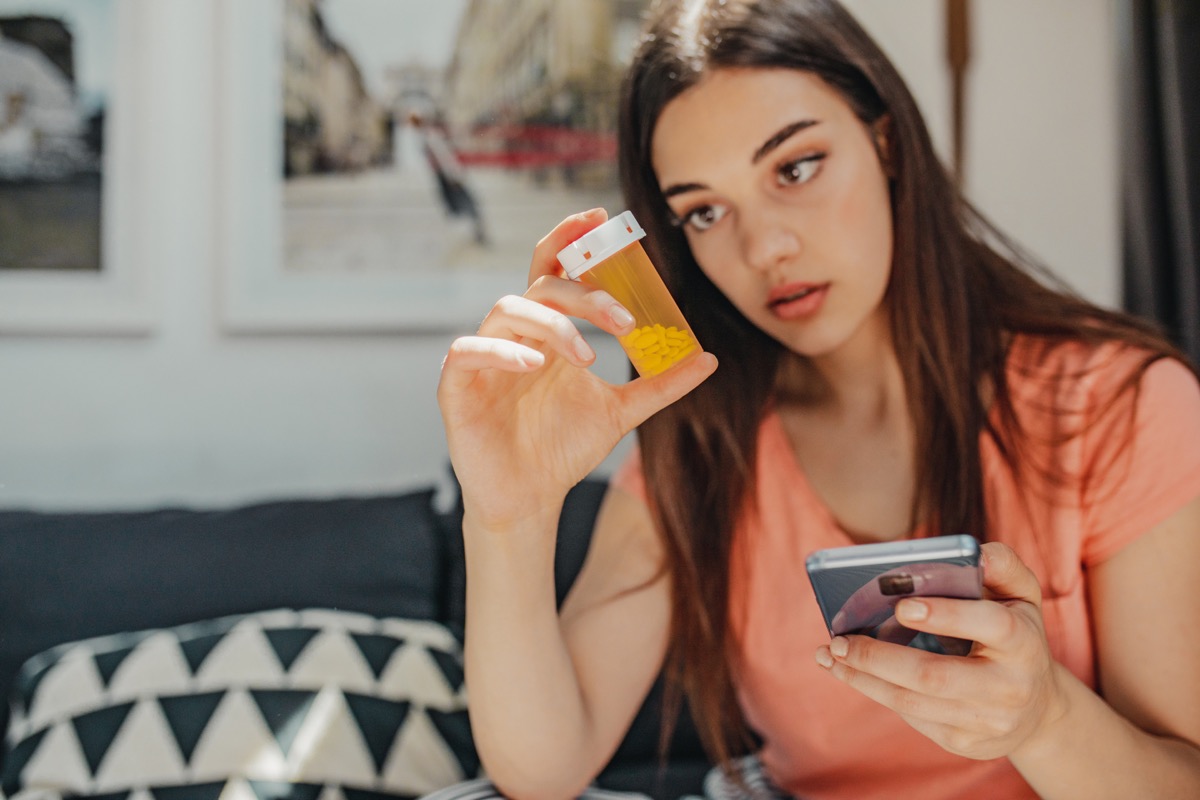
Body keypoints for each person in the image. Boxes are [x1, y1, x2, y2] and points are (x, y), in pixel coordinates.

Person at [434, 1, 1200, 798]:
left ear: (887, 142)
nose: (765, 249)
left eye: (795, 168)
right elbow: (543, 769)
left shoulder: (1124, 407)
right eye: (704, 211)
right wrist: (508, 519)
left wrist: (1046, 720)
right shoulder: (706, 440)